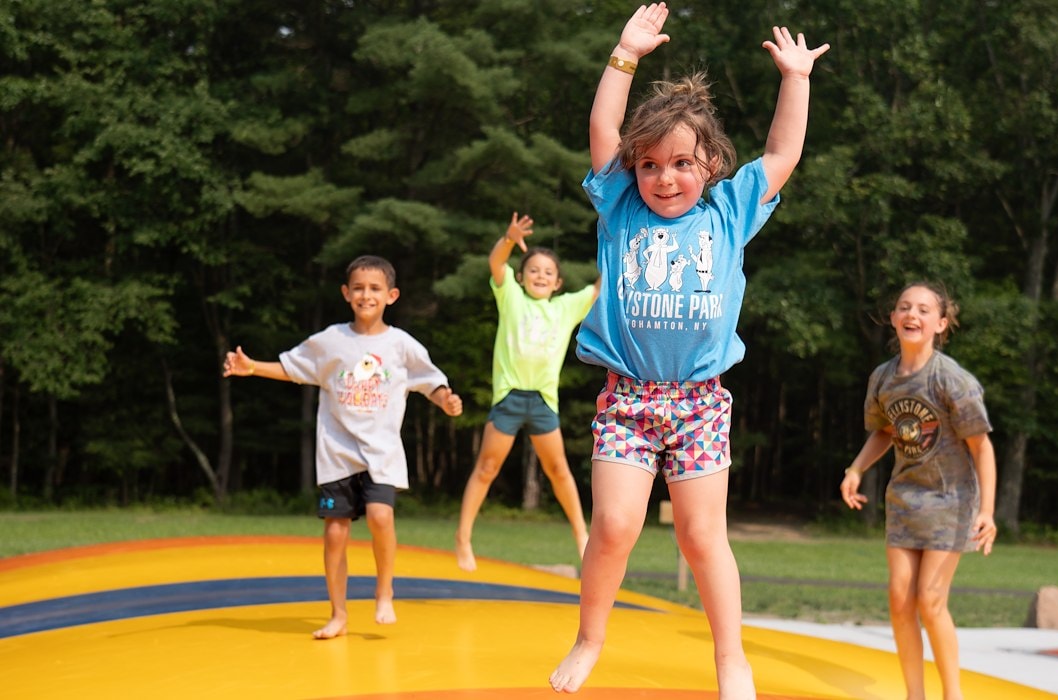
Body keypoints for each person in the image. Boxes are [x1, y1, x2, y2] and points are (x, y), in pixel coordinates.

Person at [548, 4, 829, 698]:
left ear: (710, 165)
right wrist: (624, 55)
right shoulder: (621, 207)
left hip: (700, 404)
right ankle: (590, 638)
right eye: (649, 165)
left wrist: (795, 79)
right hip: (629, 401)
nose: (663, 178)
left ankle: (731, 657)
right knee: (613, 527)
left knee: (703, 539)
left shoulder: (729, 212)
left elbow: (785, 153)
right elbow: (602, 131)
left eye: (680, 164)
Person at [223, 254, 463, 639]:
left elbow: (429, 380)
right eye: (358, 288)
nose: (366, 295)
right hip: (336, 454)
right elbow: (294, 367)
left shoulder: (401, 344)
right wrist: (253, 367)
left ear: (392, 295)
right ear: (346, 293)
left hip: (381, 454)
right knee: (335, 533)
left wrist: (445, 400)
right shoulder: (331, 341)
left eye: (375, 289)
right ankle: (338, 615)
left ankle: (384, 591)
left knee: (381, 518)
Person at [840, 282, 997, 700]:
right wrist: (855, 469)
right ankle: (915, 695)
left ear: (940, 324)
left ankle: (953, 695)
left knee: (930, 601)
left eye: (924, 310)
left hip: (952, 501)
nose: (913, 314)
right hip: (906, 499)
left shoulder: (951, 380)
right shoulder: (884, 378)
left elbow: (982, 446)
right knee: (898, 600)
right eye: (905, 307)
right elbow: (886, 432)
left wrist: (988, 512)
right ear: (893, 318)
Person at [455, 212, 600, 571]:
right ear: (521, 278)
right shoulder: (511, 297)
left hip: (542, 400)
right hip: (509, 396)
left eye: (548, 273)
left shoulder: (566, 308)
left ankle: (582, 535)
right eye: (533, 270)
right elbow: (495, 262)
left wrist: (620, 238)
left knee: (559, 471)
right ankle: (463, 537)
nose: (540, 276)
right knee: (487, 467)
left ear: (558, 283)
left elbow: (601, 287)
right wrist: (508, 239)